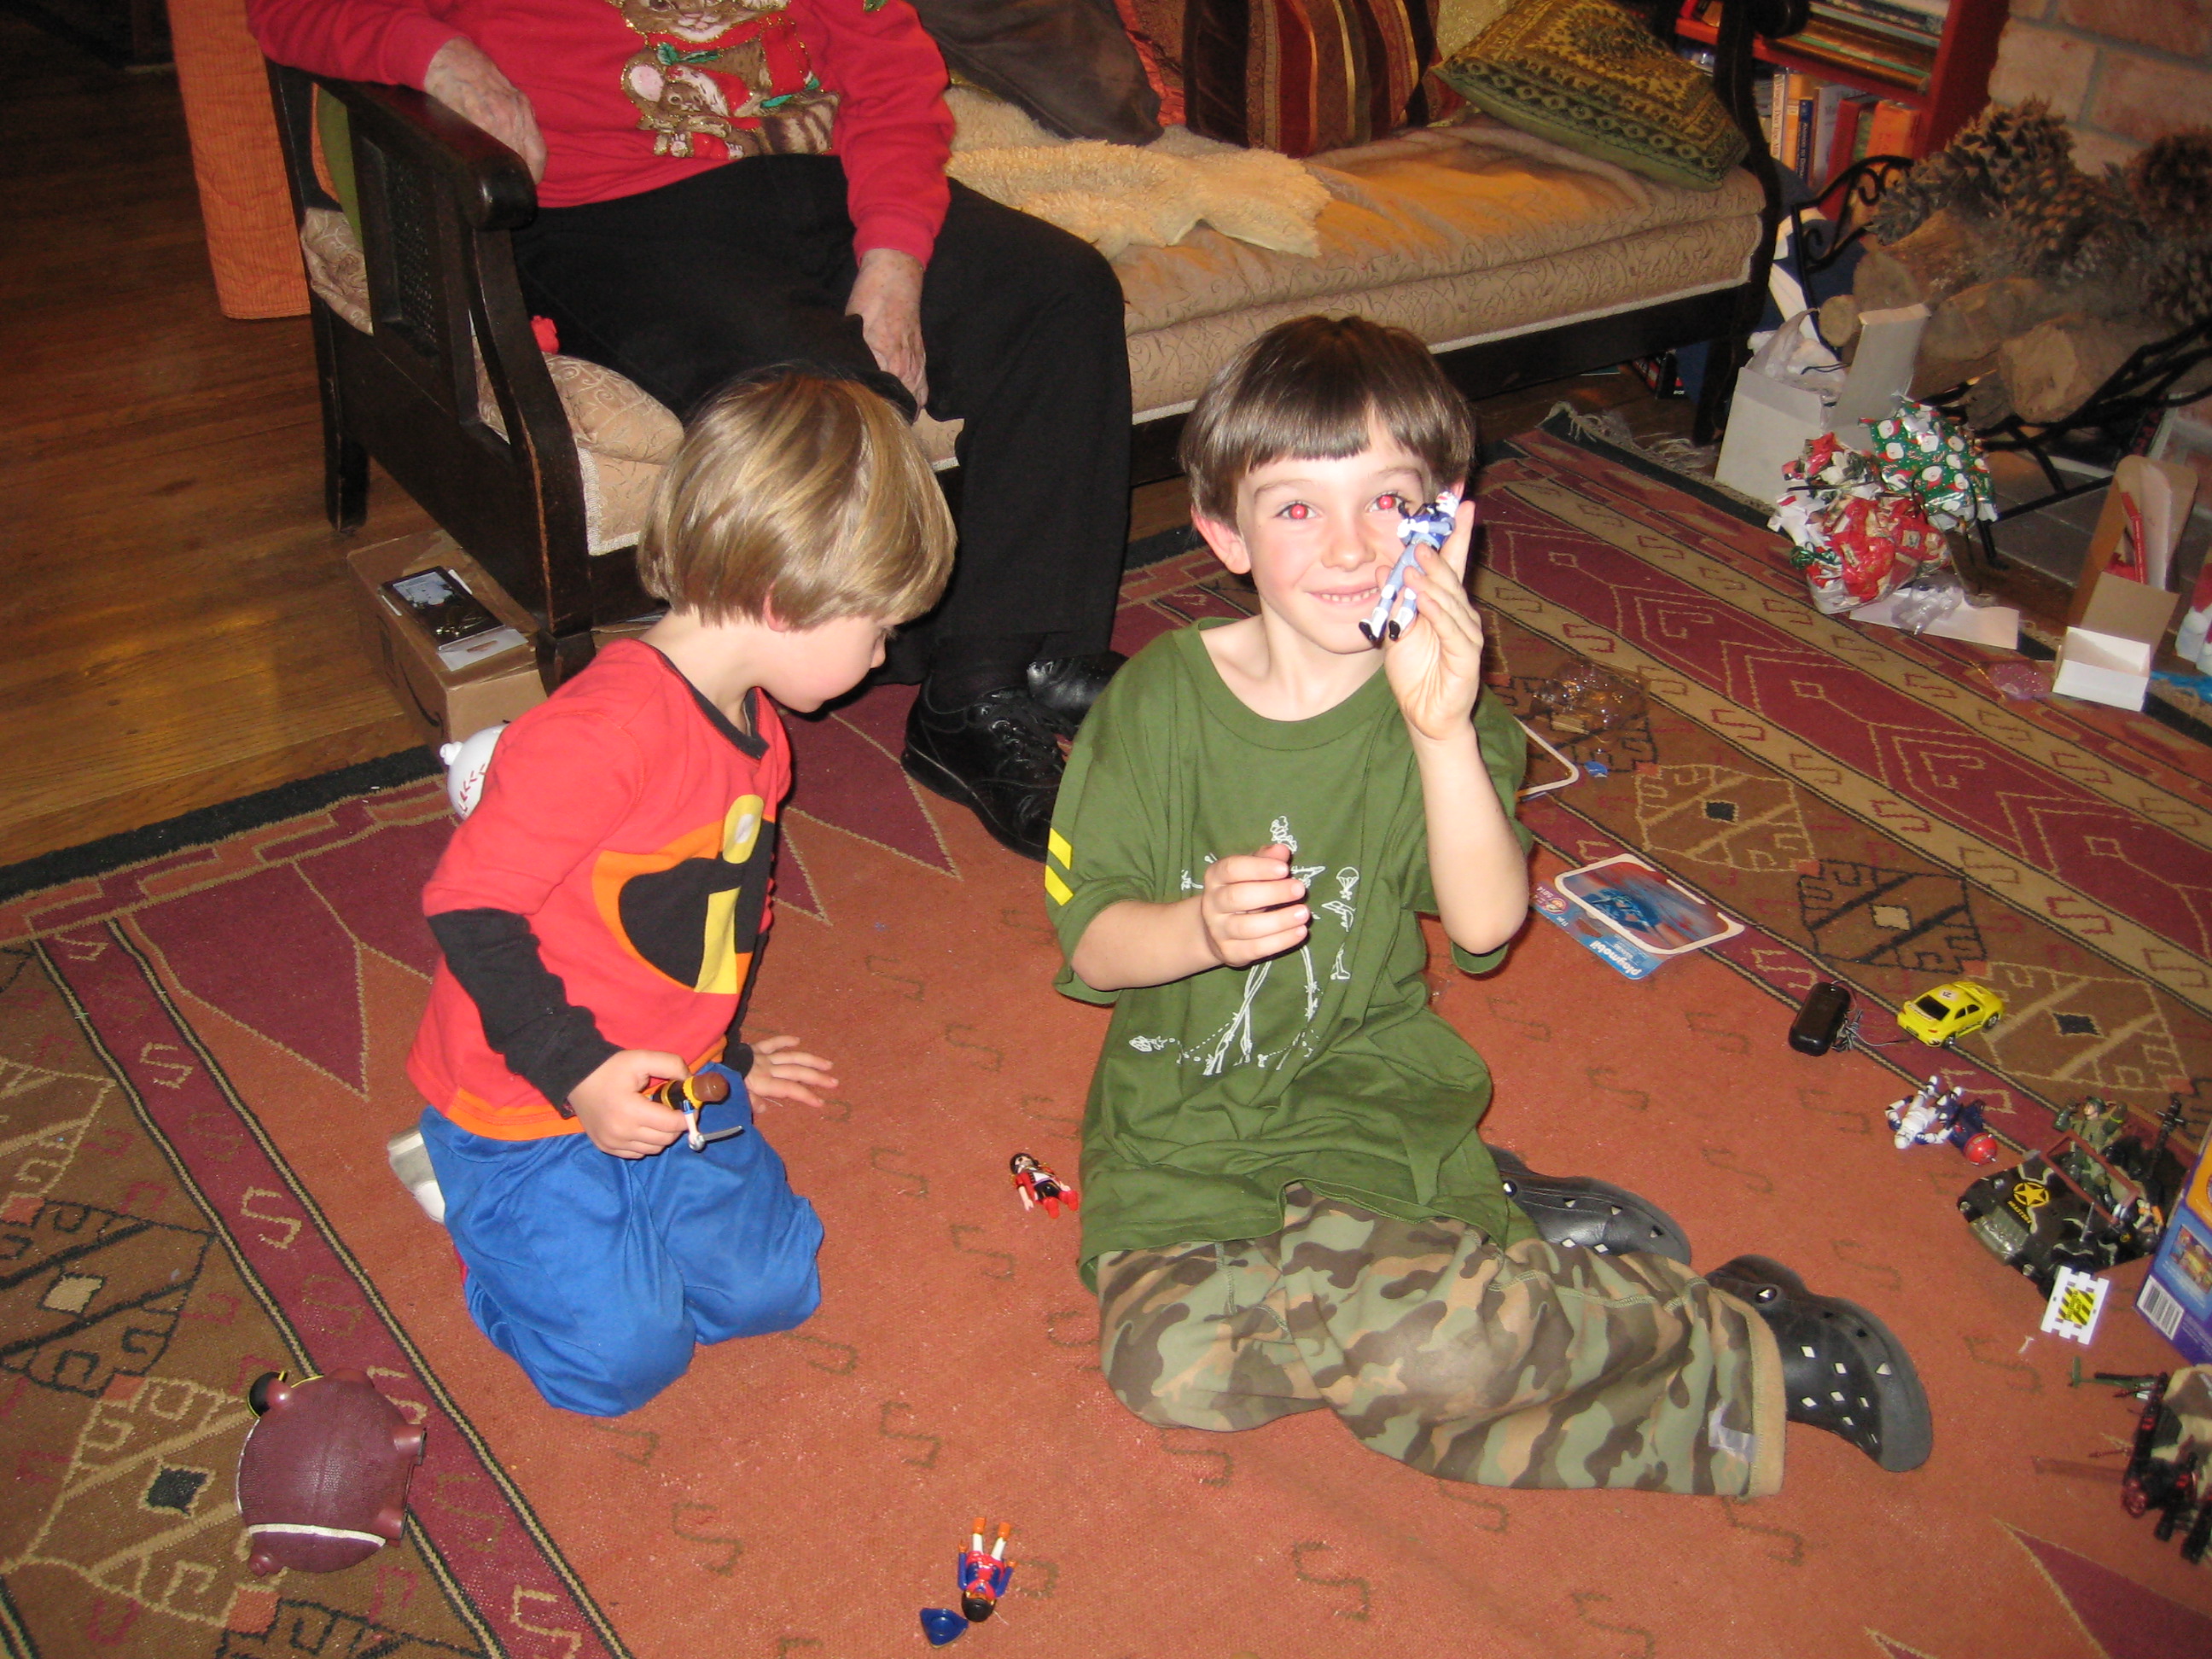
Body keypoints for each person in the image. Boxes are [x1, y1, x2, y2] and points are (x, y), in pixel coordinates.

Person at [1044, 316, 1933, 1493]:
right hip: (1179, 1132)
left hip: (1358, 1100)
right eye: (1297, 507)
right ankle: (1473, 1249)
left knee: (1432, 1352)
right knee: (1169, 1370)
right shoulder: (1157, 700)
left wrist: (1439, 728)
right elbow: (1097, 944)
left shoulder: (1446, 708)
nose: (1350, 545)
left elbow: (1482, 925)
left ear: (1444, 522)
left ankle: (1741, 1337)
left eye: (1387, 501)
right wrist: (1196, 930)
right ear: (1224, 532)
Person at [249, 0, 1132, 859]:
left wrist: (892, 260)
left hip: (820, 174)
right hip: (611, 213)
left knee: (1060, 294)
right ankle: (952, 674)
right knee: (814, 401)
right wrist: (437, 56)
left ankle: (994, 676)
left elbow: (889, 71)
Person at [405, 374, 954, 1415]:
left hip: (672, 1078)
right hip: (526, 1098)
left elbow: (711, 920)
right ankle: (484, 1227)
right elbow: (468, 909)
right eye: (879, 627)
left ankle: (609, 1219)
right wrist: (579, 1076)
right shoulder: (602, 736)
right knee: (620, 1366)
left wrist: (724, 1050)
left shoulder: (759, 732)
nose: (887, 652)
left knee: (772, 1290)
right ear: (788, 600)